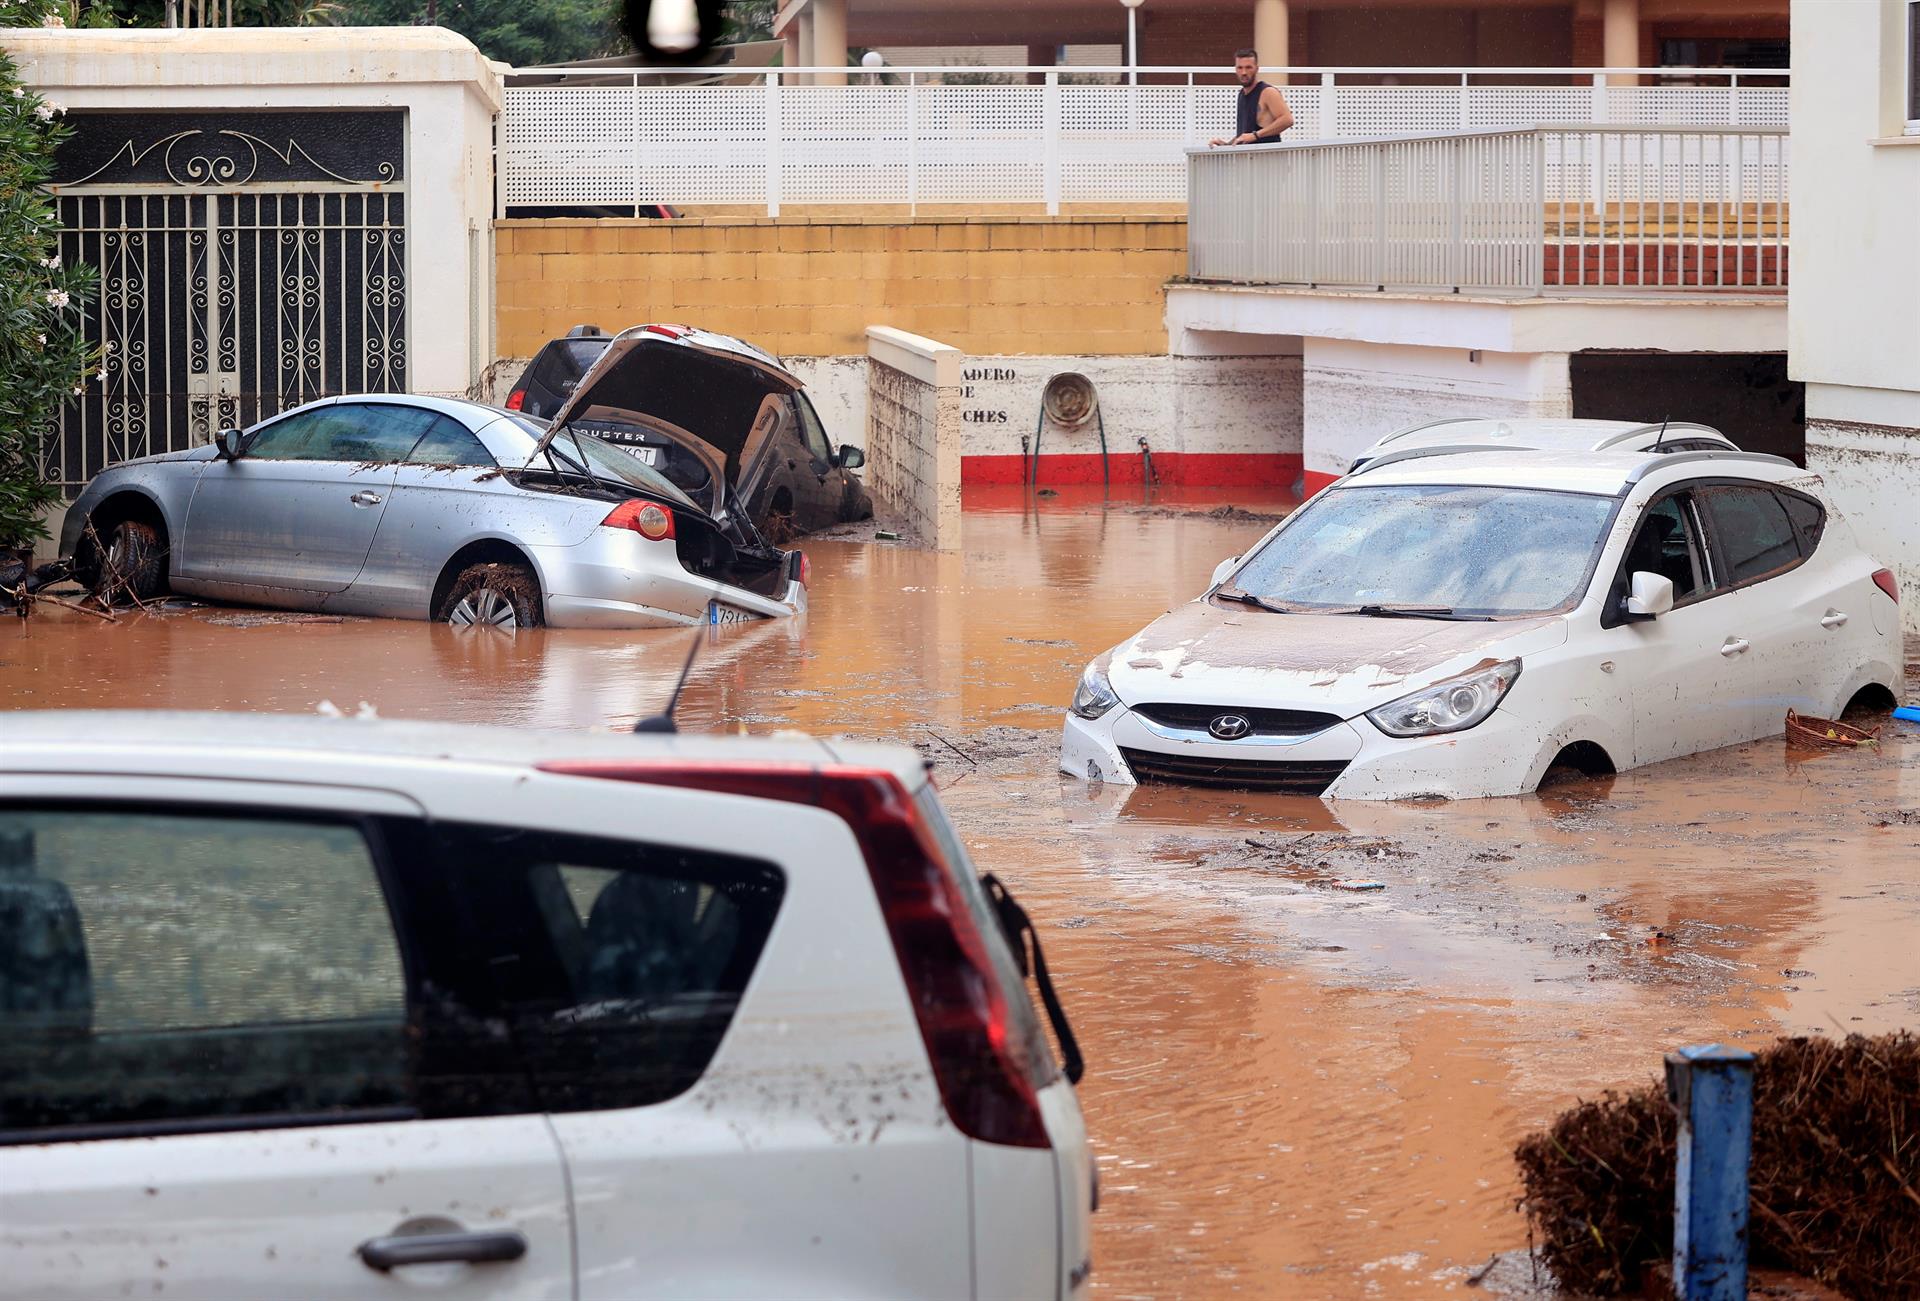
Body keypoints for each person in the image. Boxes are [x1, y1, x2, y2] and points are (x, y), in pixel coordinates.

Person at [1209, 49, 1294, 148]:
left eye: (1248, 67)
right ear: (1235, 69)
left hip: (1269, 158)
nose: (1244, 72)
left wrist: (1256, 135)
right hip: (1249, 159)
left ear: (1257, 69)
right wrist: (1226, 144)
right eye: (1240, 68)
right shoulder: (1242, 94)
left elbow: (1287, 120)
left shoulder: (1268, 92)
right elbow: (1246, 134)